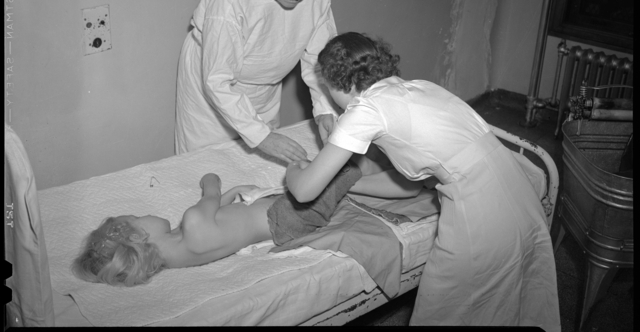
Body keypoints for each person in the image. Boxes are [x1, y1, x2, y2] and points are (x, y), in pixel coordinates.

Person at [285, 32, 561, 330]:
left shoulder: (364, 110)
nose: (331, 100)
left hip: (482, 217)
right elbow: (415, 184)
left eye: (327, 89)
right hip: (520, 193)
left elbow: (303, 191)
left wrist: (294, 169)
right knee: (508, 305)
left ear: (341, 83)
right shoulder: (420, 88)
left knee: (444, 310)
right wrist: (351, 184)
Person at [72, 150, 421, 287]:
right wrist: (212, 181)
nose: (147, 213)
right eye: (138, 216)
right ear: (138, 236)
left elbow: (217, 216)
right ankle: (403, 181)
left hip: (279, 226)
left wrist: (233, 195)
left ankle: (364, 181)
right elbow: (211, 190)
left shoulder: (176, 257)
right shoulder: (192, 221)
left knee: (332, 186)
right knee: (341, 167)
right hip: (290, 215)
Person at [175, 0, 338, 163]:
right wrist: (262, 137)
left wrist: (325, 110)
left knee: (257, 169)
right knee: (205, 166)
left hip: (264, 89)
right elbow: (216, 81)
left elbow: (319, 61)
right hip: (210, 93)